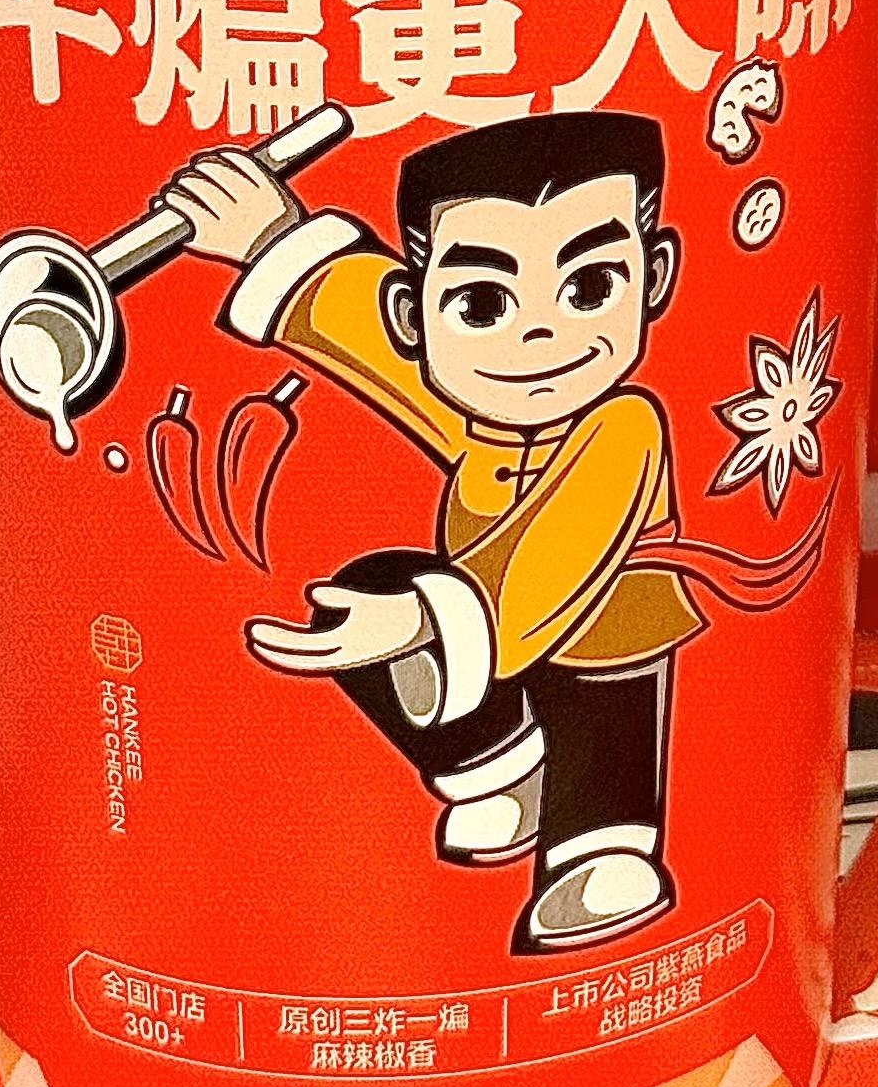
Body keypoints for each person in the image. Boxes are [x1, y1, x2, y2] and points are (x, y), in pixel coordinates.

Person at [165, 110, 701, 953]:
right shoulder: (484, 413)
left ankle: (599, 846)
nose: (538, 334)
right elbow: (376, 349)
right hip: (491, 638)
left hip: (607, 642)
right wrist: (273, 240)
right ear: (414, 316)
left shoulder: (624, 424)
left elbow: (569, 543)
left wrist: (423, 618)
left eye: (590, 288)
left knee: (600, 706)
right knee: (367, 593)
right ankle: (502, 767)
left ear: (656, 276)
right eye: (482, 303)